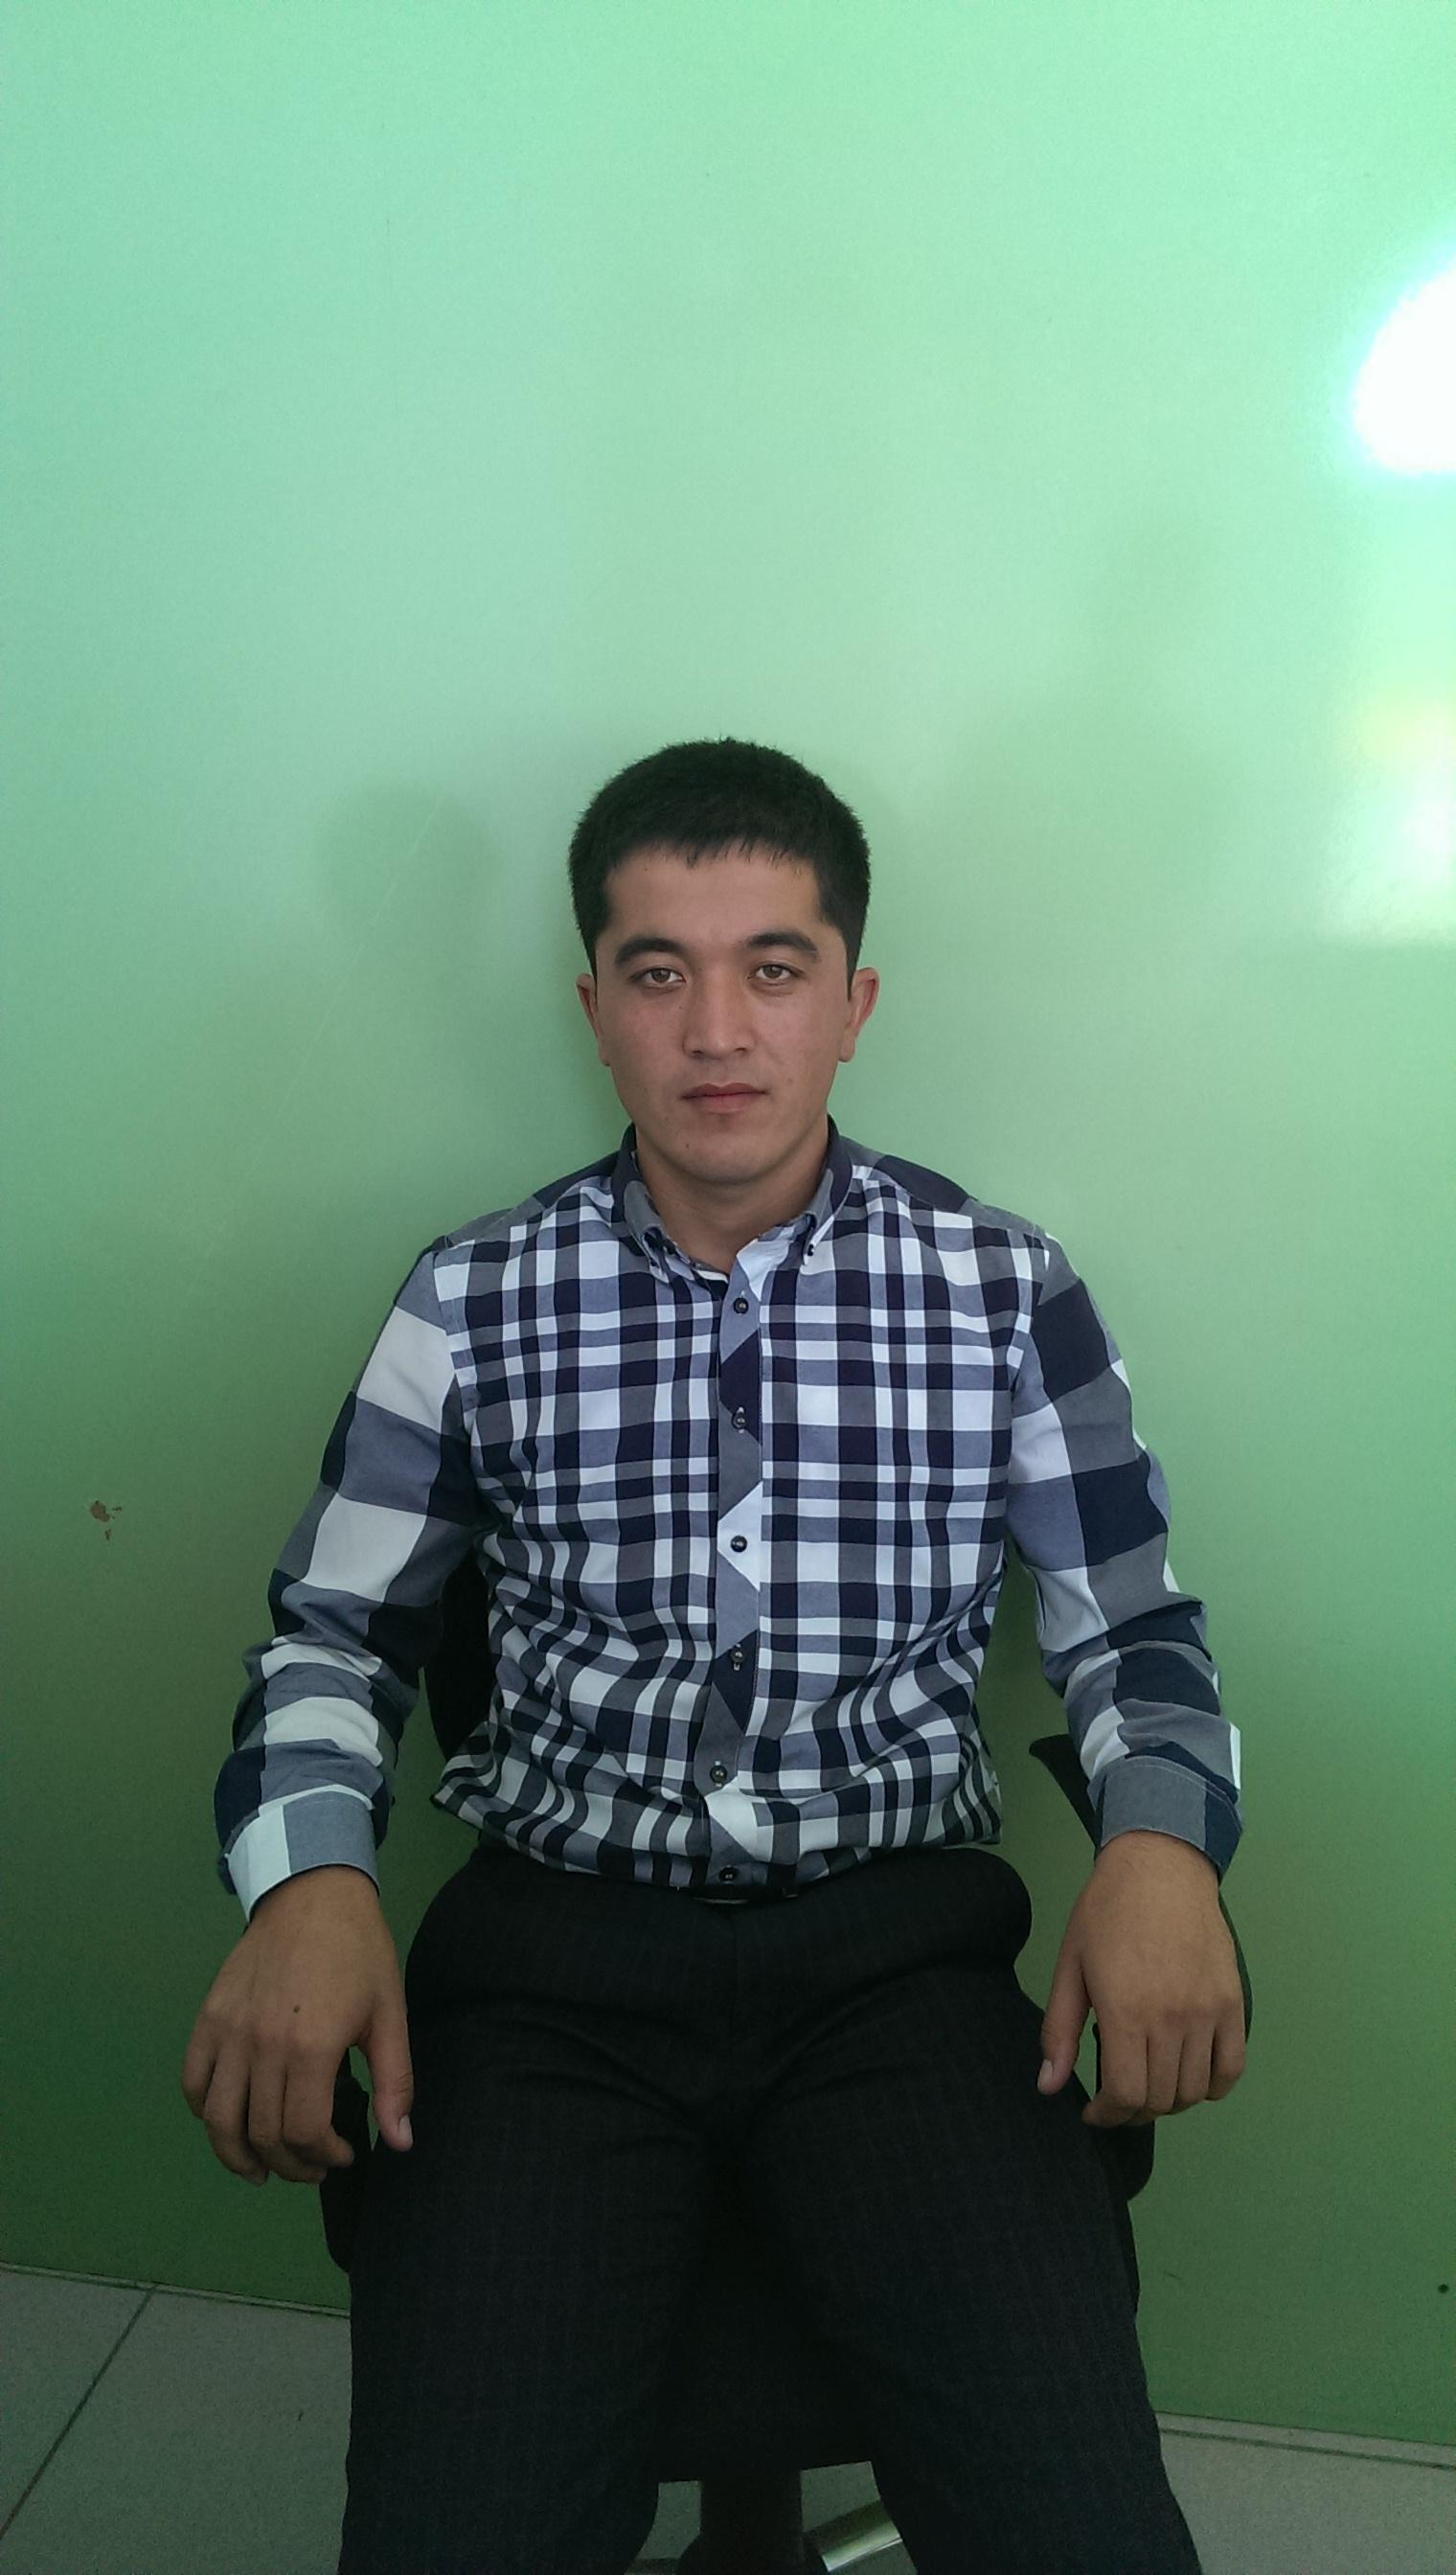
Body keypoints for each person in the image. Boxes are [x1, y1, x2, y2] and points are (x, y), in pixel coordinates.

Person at [181, 737, 1246, 2575]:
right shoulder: (473, 1298)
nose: (719, 1031)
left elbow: (1134, 1630)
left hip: (898, 1965)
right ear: (594, 1006)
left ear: (854, 1004)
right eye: (659, 971)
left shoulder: (1003, 1289)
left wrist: (1161, 1849)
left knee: (1076, 2529)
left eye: (775, 967)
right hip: (553, 1976)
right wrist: (309, 1883)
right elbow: (333, 1635)